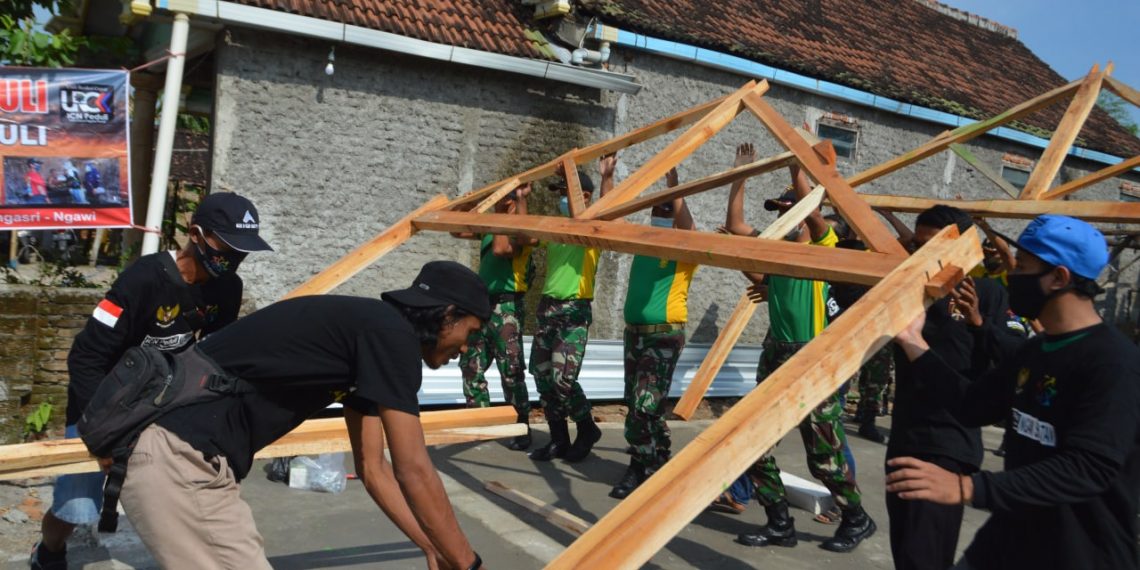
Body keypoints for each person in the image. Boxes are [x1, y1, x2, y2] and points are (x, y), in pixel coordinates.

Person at [99, 261, 490, 570]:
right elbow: (415, 469)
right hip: (179, 460)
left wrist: (434, 547)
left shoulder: (372, 337)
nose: (465, 348)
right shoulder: (392, 337)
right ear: (447, 316)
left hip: (196, 465)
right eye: (470, 332)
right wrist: (467, 562)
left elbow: (374, 469)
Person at [30, 193, 272, 570]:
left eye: (242, 250)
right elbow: (85, 357)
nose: (234, 256)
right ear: (196, 234)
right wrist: (104, 433)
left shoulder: (227, 289)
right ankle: (49, 551)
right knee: (77, 505)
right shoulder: (142, 280)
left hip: (156, 401)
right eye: (226, 246)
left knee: (174, 489)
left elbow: (216, 355)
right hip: (100, 401)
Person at [887, 215, 1140, 570]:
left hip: (1079, 553)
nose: (1011, 276)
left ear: (1058, 278)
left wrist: (967, 487)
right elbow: (972, 405)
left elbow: (1087, 468)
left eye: (1022, 267)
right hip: (1010, 539)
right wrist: (913, 343)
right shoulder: (1035, 352)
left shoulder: (1114, 364)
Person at [722, 142, 874, 553]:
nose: (781, 219)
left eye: (787, 211)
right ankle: (779, 523)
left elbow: (812, 207)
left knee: (822, 456)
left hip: (813, 358)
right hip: (776, 353)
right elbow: (735, 225)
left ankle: (857, 518)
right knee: (751, 445)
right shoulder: (776, 254)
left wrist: (797, 162)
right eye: (777, 212)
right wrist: (741, 174)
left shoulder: (822, 249)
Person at [884, 205, 1027, 570]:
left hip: (949, 444)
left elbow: (1012, 361)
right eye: (918, 245)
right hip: (905, 436)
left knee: (924, 556)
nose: (921, 254)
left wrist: (979, 322)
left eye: (931, 246)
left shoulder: (987, 294)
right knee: (905, 550)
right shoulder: (906, 292)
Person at [610, 168, 696, 499]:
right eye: (655, 209)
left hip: (663, 337)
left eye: (665, 210)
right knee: (640, 401)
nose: (658, 215)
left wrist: (674, 189)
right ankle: (659, 453)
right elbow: (610, 224)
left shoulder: (681, 250)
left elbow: (688, 227)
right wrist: (608, 178)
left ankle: (639, 466)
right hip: (635, 335)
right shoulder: (643, 245)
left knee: (643, 405)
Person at [527, 155, 614, 463]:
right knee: (542, 376)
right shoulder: (555, 228)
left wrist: (606, 178)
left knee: (563, 379)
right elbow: (526, 234)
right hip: (547, 308)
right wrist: (522, 200)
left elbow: (608, 212)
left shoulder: (590, 231)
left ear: (584, 197)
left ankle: (587, 428)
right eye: (559, 194)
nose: (560, 200)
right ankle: (558, 439)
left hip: (573, 311)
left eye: (565, 194)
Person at [454, 183, 536, 451]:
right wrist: (468, 203)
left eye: (507, 200)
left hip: (507, 307)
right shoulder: (493, 226)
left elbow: (502, 249)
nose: (502, 204)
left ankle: (520, 424)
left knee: (510, 370)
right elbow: (457, 228)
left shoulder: (522, 232)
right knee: (471, 364)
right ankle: (480, 421)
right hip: (482, 305)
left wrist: (501, 213)